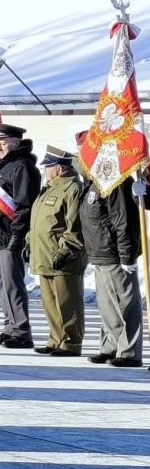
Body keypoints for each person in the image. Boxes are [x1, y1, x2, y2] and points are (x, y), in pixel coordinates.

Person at [77, 148, 144, 367]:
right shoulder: (93, 184)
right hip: (100, 254)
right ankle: (110, 347)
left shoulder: (113, 183)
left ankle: (129, 352)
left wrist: (126, 257)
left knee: (125, 305)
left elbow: (122, 222)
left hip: (115, 254)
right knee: (107, 306)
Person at [0, 124, 40, 349]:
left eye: (3, 141)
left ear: (16, 141)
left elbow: (24, 205)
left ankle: (22, 331)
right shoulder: (5, 166)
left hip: (9, 236)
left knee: (13, 286)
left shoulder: (21, 167)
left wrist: (18, 234)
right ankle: (10, 327)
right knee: (4, 285)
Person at [29, 147, 87, 356]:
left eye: (48, 167)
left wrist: (65, 251)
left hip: (63, 256)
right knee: (50, 303)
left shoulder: (72, 188)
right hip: (44, 254)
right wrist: (29, 242)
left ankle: (71, 342)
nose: (45, 170)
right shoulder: (50, 187)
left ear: (59, 168)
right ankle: (56, 339)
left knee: (67, 302)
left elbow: (74, 225)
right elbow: (39, 221)